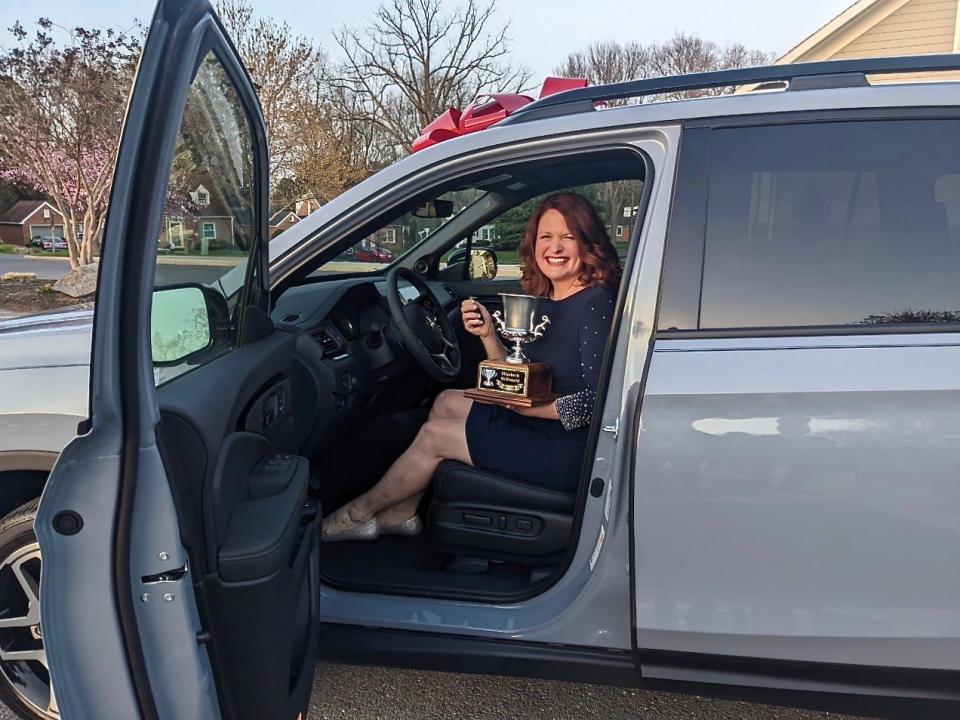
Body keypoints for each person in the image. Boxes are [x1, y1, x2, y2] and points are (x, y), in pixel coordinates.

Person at [321, 192, 622, 541]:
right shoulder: (550, 298)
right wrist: (488, 335)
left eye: (568, 237)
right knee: (446, 401)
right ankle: (402, 514)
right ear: (534, 244)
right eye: (546, 237)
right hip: (541, 422)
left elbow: (597, 401)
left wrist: (529, 409)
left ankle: (357, 514)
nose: (555, 247)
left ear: (587, 243)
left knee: (435, 437)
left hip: (568, 447)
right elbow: (516, 376)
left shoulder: (595, 302)